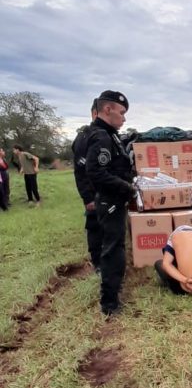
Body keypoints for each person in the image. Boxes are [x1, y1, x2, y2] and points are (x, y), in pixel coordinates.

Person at [85, 90, 135, 316]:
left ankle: (114, 291)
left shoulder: (111, 134)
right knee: (112, 251)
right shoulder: (101, 136)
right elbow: (95, 171)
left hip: (115, 200)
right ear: (108, 109)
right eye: (122, 112)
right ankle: (109, 302)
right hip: (110, 201)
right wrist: (126, 187)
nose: (124, 118)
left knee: (117, 247)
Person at [72, 99, 102, 271]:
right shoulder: (85, 137)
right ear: (94, 113)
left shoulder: (108, 135)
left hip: (110, 194)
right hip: (94, 194)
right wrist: (87, 197)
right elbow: (80, 171)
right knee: (95, 227)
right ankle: (97, 263)